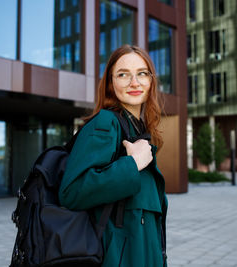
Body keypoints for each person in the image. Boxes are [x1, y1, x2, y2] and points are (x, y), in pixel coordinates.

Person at [59, 44, 168, 267]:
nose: (134, 82)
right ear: (111, 83)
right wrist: (132, 164)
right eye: (123, 74)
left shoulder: (139, 131)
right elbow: (72, 192)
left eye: (142, 74)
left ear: (151, 81)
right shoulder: (106, 123)